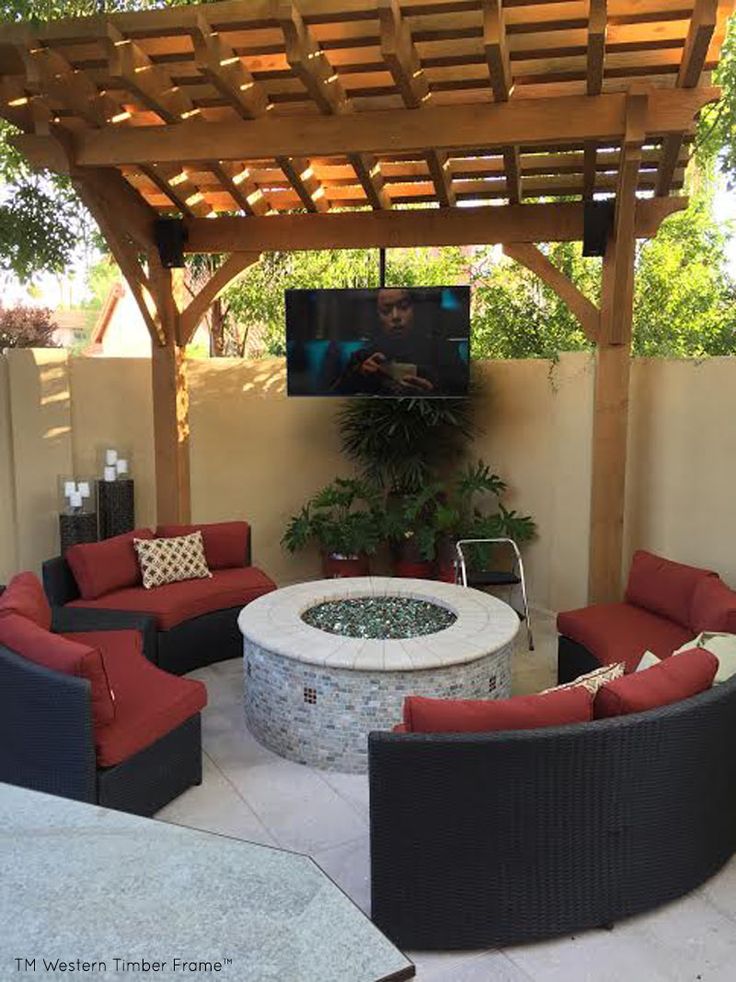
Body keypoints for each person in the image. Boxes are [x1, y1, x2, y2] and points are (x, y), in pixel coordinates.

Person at [329, 287, 467, 396]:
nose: (395, 317)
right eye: (386, 310)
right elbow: (334, 399)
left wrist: (432, 394)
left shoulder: (442, 351)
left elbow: (462, 392)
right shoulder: (364, 357)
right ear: (377, 315)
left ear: (416, 309)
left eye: (403, 306)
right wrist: (360, 375)